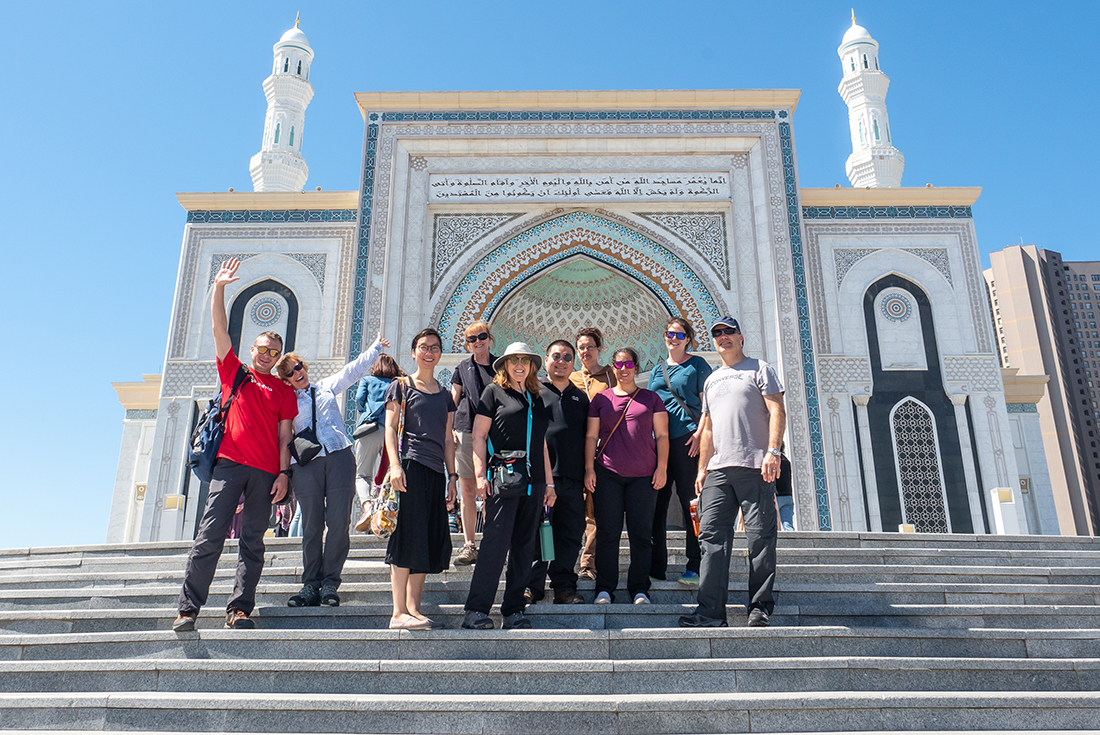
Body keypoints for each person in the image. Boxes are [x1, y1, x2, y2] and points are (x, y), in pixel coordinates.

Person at [174, 257, 297, 632]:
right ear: (252, 348)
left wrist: (283, 474)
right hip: (229, 466)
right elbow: (218, 327)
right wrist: (220, 287)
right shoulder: (234, 372)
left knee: (252, 544)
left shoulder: (282, 390)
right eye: (263, 348)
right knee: (209, 536)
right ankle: (188, 609)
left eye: (274, 352)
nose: (267, 355)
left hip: (264, 474)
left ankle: (239, 609)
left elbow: (284, 436)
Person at [679, 316, 786, 629]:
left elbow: (777, 410)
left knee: (760, 539)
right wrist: (702, 470)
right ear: (712, 341)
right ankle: (710, 612)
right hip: (718, 472)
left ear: (740, 337)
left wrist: (773, 451)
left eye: (728, 332)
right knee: (711, 539)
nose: (723, 337)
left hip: (755, 466)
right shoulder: (711, 380)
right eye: (717, 334)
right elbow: (708, 429)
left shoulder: (760, 368)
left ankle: (760, 608)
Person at [275, 332, 390, 608]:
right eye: (291, 372)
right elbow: (283, 436)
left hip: (339, 456)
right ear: (286, 379)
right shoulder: (286, 400)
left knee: (338, 523)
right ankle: (310, 584)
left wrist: (375, 349)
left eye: (299, 366)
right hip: (306, 465)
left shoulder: (325, 388)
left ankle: (330, 583)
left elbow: (352, 371)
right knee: (312, 524)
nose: (298, 373)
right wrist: (284, 472)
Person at [462, 342, 556, 629]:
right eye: (514, 360)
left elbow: (540, 442)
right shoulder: (493, 392)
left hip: (534, 481)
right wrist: (480, 476)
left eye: (525, 360)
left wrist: (549, 483)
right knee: (495, 544)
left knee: (525, 547)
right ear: (504, 364)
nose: (519, 364)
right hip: (504, 476)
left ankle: (514, 609)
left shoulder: (536, 396)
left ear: (531, 366)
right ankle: (476, 610)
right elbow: (479, 436)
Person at [384, 328, 457, 630]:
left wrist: (452, 477)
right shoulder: (400, 386)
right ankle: (397, 612)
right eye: (423, 347)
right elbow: (390, 428)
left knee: (425, 538)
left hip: (436, 472)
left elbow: (448, 440)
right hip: (410, 467)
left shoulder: (445, 396)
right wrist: (395, 466)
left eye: (435, 348)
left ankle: (413, 609)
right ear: (413, 352)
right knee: (405, 538)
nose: (429, 352)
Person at [584, 347, 668, 605]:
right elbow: (591, 436)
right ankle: (605, 589)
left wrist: (662, 467)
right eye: (619, 364)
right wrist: (588, 468)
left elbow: (662, 435)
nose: (624, 369)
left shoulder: (651, 398)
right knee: (608, 533)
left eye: (628, 364)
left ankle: (639, 588)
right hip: (607, 474)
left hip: (644, 476)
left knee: (641, 534)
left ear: (636, 367)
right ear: (613, 367)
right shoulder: (601, 399)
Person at [647, 317, 712, 585]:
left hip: (688, 440)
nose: (673, 338)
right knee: (656, 506)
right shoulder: (656, 370)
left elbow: (709, 403)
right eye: (669, 334)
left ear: (688, 338)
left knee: (690, 504)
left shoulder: (697, 365)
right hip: (659, 444)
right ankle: (656, 566)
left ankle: (695, 566)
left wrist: (700, 434)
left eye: (679, 335)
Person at [526, 340, 589, 605]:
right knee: (537, 534)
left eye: (566, 357)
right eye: (556, 356)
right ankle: (532, 587)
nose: (561, 361)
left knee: (571, 535)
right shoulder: (534, 392)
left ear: (573, 362)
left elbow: (590, 437)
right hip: (542, 478)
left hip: (573, 479)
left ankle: (564, 587)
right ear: (546, 359)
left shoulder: (581, 396)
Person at [449, 321, 498, 567]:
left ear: (490, 338)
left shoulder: (502, 366)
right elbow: (452, 401)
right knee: (468, 489)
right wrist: (449, 430)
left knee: (493, 489)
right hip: (467, 431)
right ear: (467, 343)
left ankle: (491, 541)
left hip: (496, 433)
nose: (478, 341)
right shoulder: (462, 367)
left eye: (482, 336)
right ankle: (469, 544)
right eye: (472, 339)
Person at [569, 326, 616, 581]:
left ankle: (588, 564)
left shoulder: (613, 376)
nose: (585, 351)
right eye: (581, 347)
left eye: (590, 346)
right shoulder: (573, 377)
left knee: (596, 509)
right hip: (577, 450)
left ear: (600, 349)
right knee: (580, 508)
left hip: (607, 451)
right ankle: (569, 561)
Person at [353, 353, 403, 531]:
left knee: (362, 475)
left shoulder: (367, 380)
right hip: (391, 433)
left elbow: (359, 399)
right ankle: (387, 515)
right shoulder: (397, 383)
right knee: (389, 475)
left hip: (369, 429)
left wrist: (366, 411)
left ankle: (367, 508)